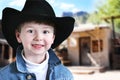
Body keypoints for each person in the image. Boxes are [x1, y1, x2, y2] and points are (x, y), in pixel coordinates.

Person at [0, 0, 75, 80]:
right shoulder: (3, 76)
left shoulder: (65, 76)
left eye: (45, 31)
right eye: (30, 31)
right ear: (18, 36)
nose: (38, 37)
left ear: (53, 38)